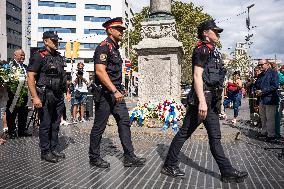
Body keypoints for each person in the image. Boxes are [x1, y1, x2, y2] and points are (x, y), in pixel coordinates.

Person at [160, 20, 248, 183]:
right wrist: (201, 101)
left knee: (215, 137)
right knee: (184, 133)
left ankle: (226, 171)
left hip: (212, 102)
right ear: (206, 33)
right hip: (202, 100)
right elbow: (197, 76)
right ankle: (169, 164)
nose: (218, 34)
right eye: (216, 31)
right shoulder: (201, 50)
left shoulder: (215, 52)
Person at [89, 17, 146, 168]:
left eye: (122, 29)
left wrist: (120, 88)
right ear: (110, 30)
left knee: (124, 122)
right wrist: (114, 90)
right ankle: (94, 157)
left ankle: (129, 156)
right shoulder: (103, 47)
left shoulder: (115, 48)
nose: (122, 32)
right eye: (119, 29)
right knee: (99, 126)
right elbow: (100, 72)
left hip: (116, 93)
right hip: (106, 95)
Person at [27, 31, 70, 163]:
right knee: (45, 124)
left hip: (58, 96)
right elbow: (30, 76)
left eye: (57, 40)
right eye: (54, 40)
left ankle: (53, 148)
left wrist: (67, 91)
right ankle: (45, 152)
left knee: (56, 124)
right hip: (45, 95)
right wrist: (35, 97)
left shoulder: (58, 57)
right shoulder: (39, 56)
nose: (57, 43)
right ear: (46, 41)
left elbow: (63, 77)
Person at [6, 49, 31, 139]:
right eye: (21, 55)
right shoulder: (9, 66)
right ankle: (11, 131)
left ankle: (21, 131)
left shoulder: (25, 66)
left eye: (23, 55)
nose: (23, 57)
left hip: (23, 93)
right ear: (14, 56)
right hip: (13, 94)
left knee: (23, 113)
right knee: (11, 113)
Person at [255, 59, 279, 141]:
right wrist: (256, 90)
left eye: (261, 64)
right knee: (263, 117)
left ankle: (271, 135)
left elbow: (275, 85)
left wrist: (263, 91)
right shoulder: (260, 74)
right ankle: (264, 132)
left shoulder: (273, 72)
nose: (260, 66)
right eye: (259, 65)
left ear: (267, 64)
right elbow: (256, 84)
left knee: (270, 118)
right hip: (262, 99)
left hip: (270, 99)